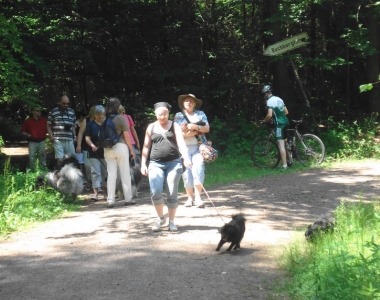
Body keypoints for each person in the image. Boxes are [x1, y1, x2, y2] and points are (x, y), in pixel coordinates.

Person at [140, 102, 191, 232]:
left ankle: (172, 221)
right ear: (155, 114)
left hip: (173, 163)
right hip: (155, 163)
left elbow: (181, 142)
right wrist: (143, 164)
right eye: (159, 114)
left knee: (172, 192)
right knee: (155, 191)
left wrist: (186, 157)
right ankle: (160, 218)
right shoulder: (151, 127)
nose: (162, 117)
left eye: (165, 114)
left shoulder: (175, 126)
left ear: (169, 114)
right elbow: (146, 146)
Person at [174, 94, 210, 208]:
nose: (188, 103)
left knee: (198, 169)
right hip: (184, 148)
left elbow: (207, 128)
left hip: (199, 147)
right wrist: (188, 133)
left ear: (194, 104)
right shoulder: (178, 115)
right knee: (186, 174)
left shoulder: (200, 114)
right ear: (183, 104)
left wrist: (194, 126)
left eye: (191, 101)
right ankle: (189, 198)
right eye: (186, 101)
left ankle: (198, 198)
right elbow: (177, 132)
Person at [103, 97, 136, 208]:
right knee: (125, 173)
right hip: (120, 146)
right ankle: (128, 199)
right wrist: (132, 150)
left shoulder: (104, 119)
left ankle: (110, 200)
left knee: (111, 174)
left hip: (107, 149)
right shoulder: (121, 118)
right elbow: (126, 135)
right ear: (117, 107)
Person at [261, 85, 290, 170]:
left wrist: (264, 121)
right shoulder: (279, 99)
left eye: (264, 94)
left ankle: (284, 165)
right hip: (286, 122)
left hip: (279, 125)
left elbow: (269, 115)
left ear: (267, 93)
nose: (264, 96)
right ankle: (289, 160)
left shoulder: (270, 101)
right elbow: (286, 112)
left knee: (281, 145)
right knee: (285, 144)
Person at [85, 105, 108, 201]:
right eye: (98, 114)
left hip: (106, 152)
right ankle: (96, 194)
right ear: (94, 115)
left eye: (102, 114)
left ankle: (106, 194)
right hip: (93, 153)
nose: (100, 116)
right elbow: (87, 138)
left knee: (106, 173)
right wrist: (92, 145)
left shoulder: (106, 124)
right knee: (95, 173)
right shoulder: (90, 124)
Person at [47, 95, 76, 167]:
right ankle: (60, 175)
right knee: (60, 160)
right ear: (60, 102)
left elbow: (73, 125)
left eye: (67, 104)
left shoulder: (71, 112)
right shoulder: (53, 112)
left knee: (71, 159)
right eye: (64, 103)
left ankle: (70, 176)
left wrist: (75, 136)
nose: (66, 105)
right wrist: (51, 135)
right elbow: (48, 124)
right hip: (58, 139)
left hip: (69, 139)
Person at [21, 105, 48, 171]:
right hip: (32, 142)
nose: (39, 112)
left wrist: (47, 135)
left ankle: (43, 170)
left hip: (41, 141)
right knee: (31, 157)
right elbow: (23, 131)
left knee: (43, 157)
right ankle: (32, 171)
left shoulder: (44, 121)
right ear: (33, 112)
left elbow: (49, 129)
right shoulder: (28, 121)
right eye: (37, 110)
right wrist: (28, 135)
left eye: (40, 111)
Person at [74, 105, 91, 185]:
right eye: (83, 116)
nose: (85, 117)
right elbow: (77, 133)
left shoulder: (88, 121)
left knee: (88, 164)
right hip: (80, 144)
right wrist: (78, 144)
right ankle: (84, 178)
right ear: (80, 116)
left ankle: (90, 180)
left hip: (88, 143)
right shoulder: (76, 123)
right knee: (81, 163)